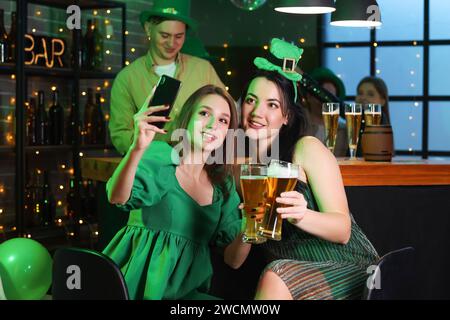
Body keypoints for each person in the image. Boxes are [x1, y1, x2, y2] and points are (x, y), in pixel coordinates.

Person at [239, 38, 379, 300]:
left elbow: (342, 229)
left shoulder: (306, 148)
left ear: (287, 117)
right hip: (291, 274)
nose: (257, 111)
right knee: (276, 274)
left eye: (272, 104)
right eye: (250, 100)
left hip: (349, 268)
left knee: (275, 274)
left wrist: (302, 215)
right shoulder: (243, 171)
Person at [103, 85, 250, 300]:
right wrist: (137, 147)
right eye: (204, 113)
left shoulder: (223, 186)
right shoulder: (161, 155)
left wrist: (251, 225)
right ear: (187, 118)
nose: (212, 125)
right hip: (135, 285)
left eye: (223, 120)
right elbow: (116, 197)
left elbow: (234, 260)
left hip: (187, 293)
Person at [109, 0, 225, 155]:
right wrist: (150, 146)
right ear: (148, 29)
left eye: (179, 36)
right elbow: (120, 136)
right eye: (165, 35)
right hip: (153, 169)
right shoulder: (127, 79)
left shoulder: (203, 69)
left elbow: (227, 113)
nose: (172, 43)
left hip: (200, 165)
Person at [302, 67, 348, 157]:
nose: (325, 102)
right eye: (321, 96)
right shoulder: (296, 125)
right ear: (308, 96)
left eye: (330, 97)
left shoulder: (345, 131)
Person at [355, 76, 393, 156]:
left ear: (382, 101)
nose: (363, 98)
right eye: (360, 93)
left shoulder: (381, 119)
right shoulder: (353, 122)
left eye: (370, 94)